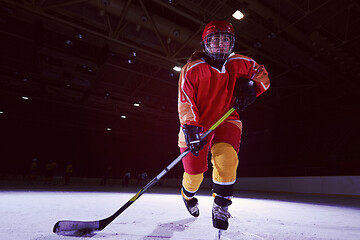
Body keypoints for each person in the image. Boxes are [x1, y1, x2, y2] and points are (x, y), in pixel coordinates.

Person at [177, 20, 270, 231]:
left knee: (227, 156)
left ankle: (221, 205)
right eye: (216, 39)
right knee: (195, 174)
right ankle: (187, 195)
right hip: (197, 125)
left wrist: (252, 90)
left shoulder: (240, 62)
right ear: (206, 43)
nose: (221, 44)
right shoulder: (192, 69)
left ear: (232, 42)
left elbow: (262, 77)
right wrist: (190, 128)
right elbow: (186, 100)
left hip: (226, 118)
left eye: (226, 39)